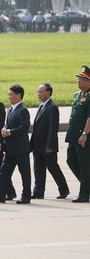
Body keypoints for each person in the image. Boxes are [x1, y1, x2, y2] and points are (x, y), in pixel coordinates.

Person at [0, 84, 31, 204]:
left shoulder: (23, 110)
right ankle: (0, 195)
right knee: (4, 173)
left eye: (11, 94)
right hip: (9, 148)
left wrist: (10, 132)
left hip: (20, 149)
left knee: (25, 174)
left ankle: (26, 196)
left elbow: (24, 127)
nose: (9, 97)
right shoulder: (10, 109)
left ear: (18, 95)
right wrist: (4, 129)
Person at [30, 83, 69, 199]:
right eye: (38, 92)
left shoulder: (52, 107)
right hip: (37, 145)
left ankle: (64, 189)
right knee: (38, 169)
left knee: (52, 167)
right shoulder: (41, 106)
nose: (39, 94)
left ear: (48, 92)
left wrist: (50, 144)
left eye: (41, 92)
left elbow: (53, 128)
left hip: (47, 145)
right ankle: (38, 191)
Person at [66, 65, 90, 203]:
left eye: (83, 79)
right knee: (71, 160)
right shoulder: (77, 95)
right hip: (74, 136)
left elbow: (89, 117)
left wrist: (85, 134)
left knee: (85, 164)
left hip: (84, 137)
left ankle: (84, 193)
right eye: (79, 78)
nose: (79, 81)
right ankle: (87, 186)